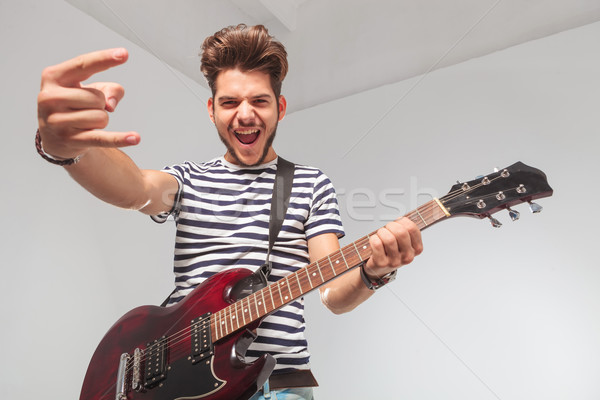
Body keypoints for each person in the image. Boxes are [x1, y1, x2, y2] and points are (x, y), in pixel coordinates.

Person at [36, 24, 423, 400]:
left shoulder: (310, 184)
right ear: (211, 109)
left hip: (276, 385)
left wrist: (373, 272)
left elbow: (334, 292)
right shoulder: (188, 178)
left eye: (259, 100)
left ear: (280, 107)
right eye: (230, 102)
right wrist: (68, 149)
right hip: (173, 383)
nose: (245, 114)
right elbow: (136, 188)